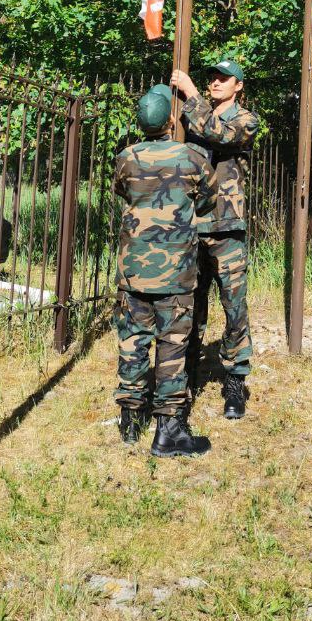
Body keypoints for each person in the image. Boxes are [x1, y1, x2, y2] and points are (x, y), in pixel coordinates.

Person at [113, 82, 217, 458]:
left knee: (132, 341)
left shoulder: (126, 158)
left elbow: (123, 193)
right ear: (171, 119)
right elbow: (207, 202)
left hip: (133, 269)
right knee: (172, 346)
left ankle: (130, 416)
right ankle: (169, 430)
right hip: (176, 271)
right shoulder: (191, 157)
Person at [171, 59, 259, 420]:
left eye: (224, 78)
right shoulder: (191, 115)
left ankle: (235, 380)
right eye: (212, 78)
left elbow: (219, 134)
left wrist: (191, 94)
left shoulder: (246, 120)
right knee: (190, 304)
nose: (215, 82)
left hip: (226, 229)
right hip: (192, 224)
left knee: (234, 306)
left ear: (239, 85)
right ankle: (187, 375)